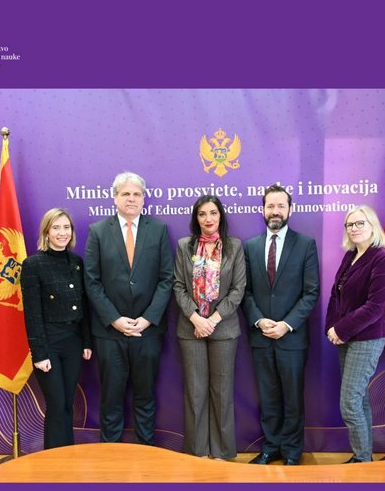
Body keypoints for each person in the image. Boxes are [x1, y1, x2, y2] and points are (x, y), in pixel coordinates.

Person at [84, 172, 173, 445]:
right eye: (125, 194)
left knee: (145, 397)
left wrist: (147, 319)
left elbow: (166, 278)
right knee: (111, 398)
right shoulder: (98, 231)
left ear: (144, 199)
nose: (131, 199)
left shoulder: (158, 230)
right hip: (110, 333)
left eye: (136, 194)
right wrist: (114, 319)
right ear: (115, 198)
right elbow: (92, 280)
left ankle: (147, 453)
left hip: (147, 332)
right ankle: (110, 456)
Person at [243, 184, 320, 465]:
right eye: (270, 206)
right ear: (262, 210)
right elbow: (245, 291)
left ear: (291, 209)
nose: (275, 211)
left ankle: (291, 451)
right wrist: (259, 320)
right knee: (268, 396)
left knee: (292, 399)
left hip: (291, 337)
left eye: (280, 206)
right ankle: (270, 447)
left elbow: (311, 292)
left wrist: (286, 324)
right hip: (261, 336)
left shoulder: (305, 244)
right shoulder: (250, 246)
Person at [173, 195, 246, 460]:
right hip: (191, 328)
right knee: (195, 391)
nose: (208, 219)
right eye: (202, 214)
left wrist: (212, 320)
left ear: (221, 216)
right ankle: (198, 452)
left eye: (213, 213)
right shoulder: (184, 246)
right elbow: (179, 286)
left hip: (223, 329)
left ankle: (223, 452)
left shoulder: (235, 246)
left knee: (222, 391)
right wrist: (196, 319)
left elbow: (238, 290)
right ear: (196, 218)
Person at [325, 204, 385, 463]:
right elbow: (335, 295)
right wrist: (331, 329)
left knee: (350, 402)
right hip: (345, 337)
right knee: (360, 398)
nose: (354, 228)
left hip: (367, 338)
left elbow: (375, 308)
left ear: (372, 226)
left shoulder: (382, 258)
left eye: (360, 223)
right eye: (350, 224)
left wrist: (340, 330)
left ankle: (362, 460)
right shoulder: (350, 256)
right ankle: (364, 456)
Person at [20, 208, 92, 450]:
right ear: (46, 232)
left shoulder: (78, 263)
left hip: (73, 343)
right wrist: (39, 354)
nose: (62, 233)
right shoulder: (33, 264)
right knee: (56, 403)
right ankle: (52, 459)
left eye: (66, 228)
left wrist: (86, 342)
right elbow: (32, 314)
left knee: (67, 403)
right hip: (49, 343)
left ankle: (67, 455)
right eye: (56, 228)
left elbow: (83, 306)